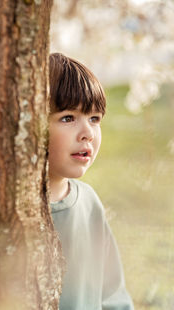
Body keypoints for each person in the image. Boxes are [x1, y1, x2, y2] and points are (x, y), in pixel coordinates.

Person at [48, 52, 134, 310]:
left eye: (94, 119)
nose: (87, 133)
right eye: (68, 118)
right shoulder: (6, 209)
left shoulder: (88, 203)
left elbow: (113, 296)